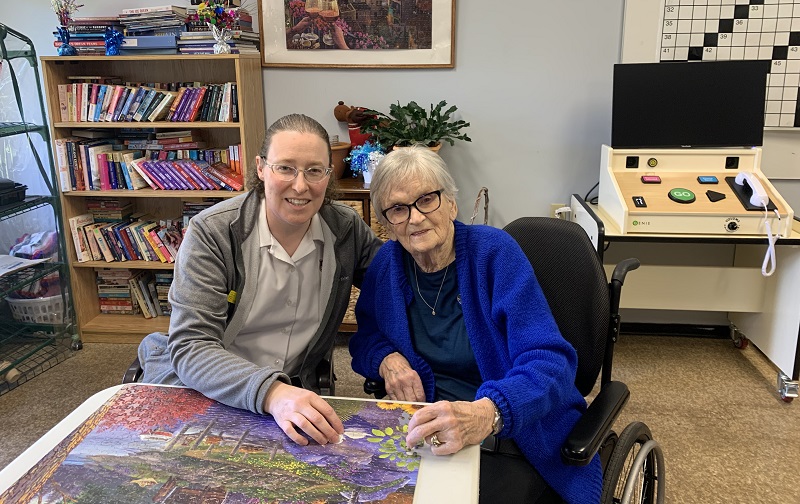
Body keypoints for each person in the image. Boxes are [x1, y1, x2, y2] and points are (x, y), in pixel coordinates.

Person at [349, 146, 602, 504]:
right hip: (425, 434)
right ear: (387, 224)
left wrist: (490, 412)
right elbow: (366, 338)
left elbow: (551, 360)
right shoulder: (387, 266)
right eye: (398, 209)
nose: (415, 218)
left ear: (451, 203)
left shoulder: (495, 254)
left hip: (513, 435)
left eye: (427, 199)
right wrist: (387, 359)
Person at [140, 114, 383, 447]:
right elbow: (192, 347)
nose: (300, 185)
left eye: (314, 171)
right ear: (260, 168)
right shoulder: (212, 232)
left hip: (295, 394)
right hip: (214, 390)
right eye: (285, 168)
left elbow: (394, 284)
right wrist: (273, 392)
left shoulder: (345, 229)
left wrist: (388, 356)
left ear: (329, 175)